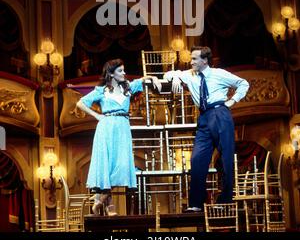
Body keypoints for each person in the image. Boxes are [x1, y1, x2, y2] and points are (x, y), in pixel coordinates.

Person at [164, 46, 249, 212]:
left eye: (195, 59)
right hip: (203, 118)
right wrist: (174, 77)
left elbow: (243, 83)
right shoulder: (189, 74)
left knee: (225, 159)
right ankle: (196, 203)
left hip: (220, 114)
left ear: (205, 61)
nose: (191, 61)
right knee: (197, 159)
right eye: (191, 58)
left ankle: (225, 201)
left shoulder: (219, 74)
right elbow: (168, 74)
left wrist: (232, 101)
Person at [75, 58, 161, 216]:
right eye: (120, 71)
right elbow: (81, 103)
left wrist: (154, 78)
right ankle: (109, 205)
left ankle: (100, 198)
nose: (124, 73)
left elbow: (144, 79)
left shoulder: (128, 87)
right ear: (111, 73)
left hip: (122, 127)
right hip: (106, 127)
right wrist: (97, 116)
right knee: (107, 165)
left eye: (124, 70)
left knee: (121, 165)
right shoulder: (101, 91)